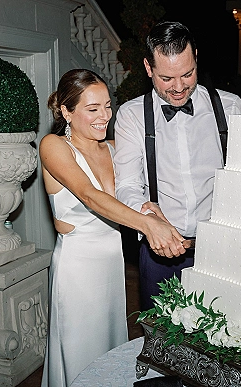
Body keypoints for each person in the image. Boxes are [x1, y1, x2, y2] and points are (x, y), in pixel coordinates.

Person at [39, 69, 186, 387]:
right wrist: (148, 226)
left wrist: (150, 208)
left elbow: (133, 193)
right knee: (80, 354)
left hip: (111, 263)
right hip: (77, 268)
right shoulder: (53, 146)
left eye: (107, 106)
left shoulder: (116, 148)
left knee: (110, 354)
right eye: (92, 109)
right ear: (67, 111)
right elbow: (91, 196)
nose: (104, 116)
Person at [113, 21, 241, 310]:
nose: (178, 87)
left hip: (222, 249)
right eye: (166, 78)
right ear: (148, 69)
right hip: (160, 253)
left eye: (187, 74)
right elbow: (126, 184)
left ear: (196, 57)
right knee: (162, 346)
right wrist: (149, 220)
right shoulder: (132, 116)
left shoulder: (231, 107)